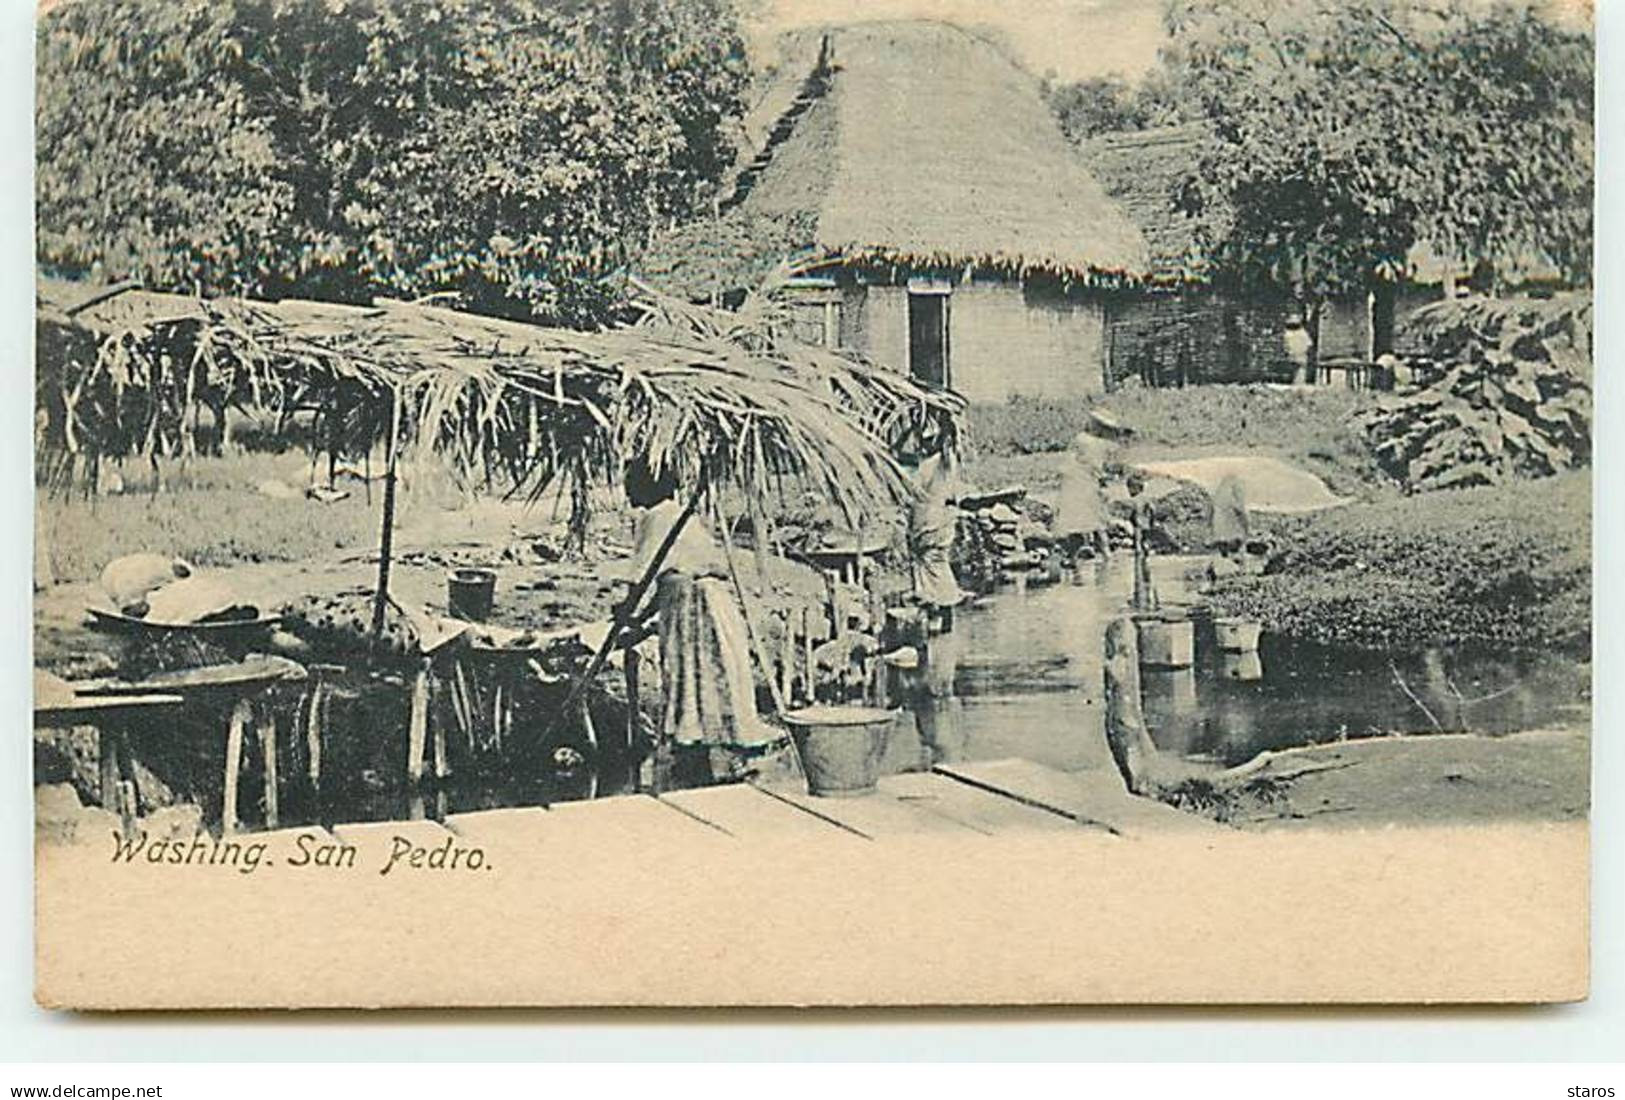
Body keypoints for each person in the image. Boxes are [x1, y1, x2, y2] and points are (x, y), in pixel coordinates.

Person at [623, 460, 776, 777]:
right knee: (703, 667)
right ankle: (703, 738)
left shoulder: (657, 516)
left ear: (647, 485)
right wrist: (639, 615)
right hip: (698, 599)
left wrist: (627, 611)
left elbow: (642, 576)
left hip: (693, 602)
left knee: (695, 665)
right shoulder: (674, 514)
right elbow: (664, 574)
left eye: (631, 482)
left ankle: (702, 741)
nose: (626, 490)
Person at [904, 439, 966, 629]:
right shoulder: (948, 465)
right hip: (944, 522)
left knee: (930, 563)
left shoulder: (929, 466)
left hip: (931, 523)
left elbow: (914, 493)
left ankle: (937, 608)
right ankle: (944, 613)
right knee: (938, 562)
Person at [1053, 428, 1113, 574]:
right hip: (1079, 501)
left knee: (1096, 528)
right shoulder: (1073, 463)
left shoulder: (1087, 462)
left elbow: (1098, 479)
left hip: (1086, 500)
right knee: (1085, 529)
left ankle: (1106, 560)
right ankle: (1097, 560)